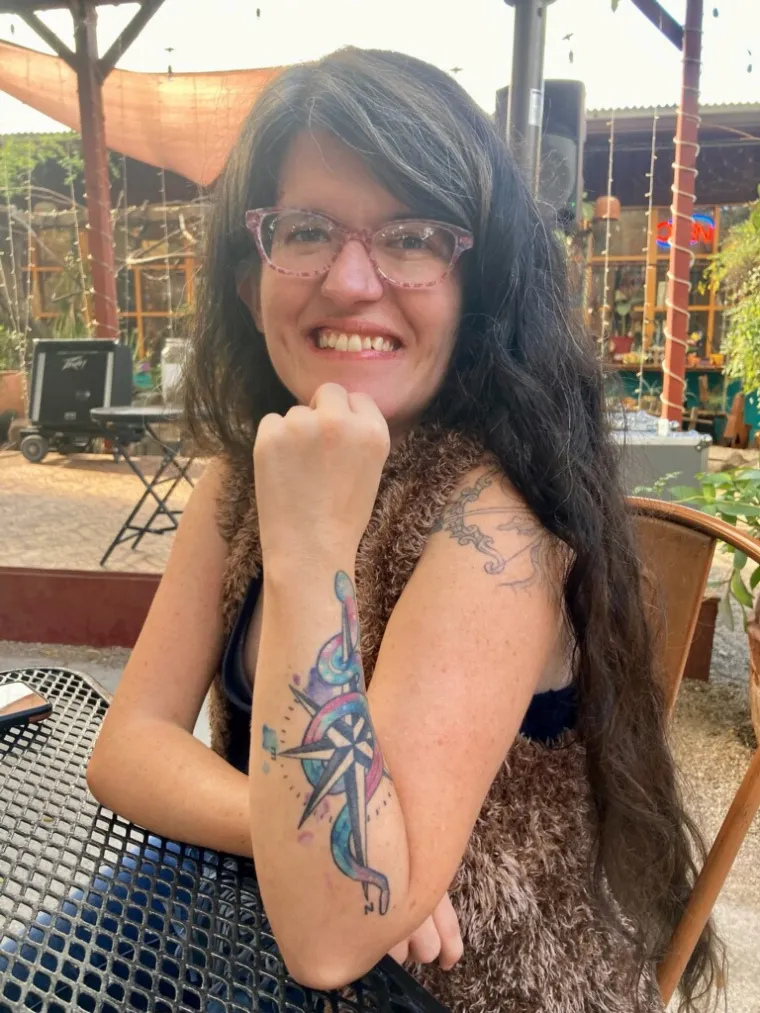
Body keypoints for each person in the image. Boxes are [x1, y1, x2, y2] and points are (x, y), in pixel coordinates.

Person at [87, 47, 722, 1013]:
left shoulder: (496, 522)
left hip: (474, 988)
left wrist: (308, 553)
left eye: (414, 237)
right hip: (260, 930)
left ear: (482, 286)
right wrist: (334, 851)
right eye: (307, 229)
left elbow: (335, 934)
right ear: (252, 277)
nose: (350, 280)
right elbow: (125, 747)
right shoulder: (249, 470)